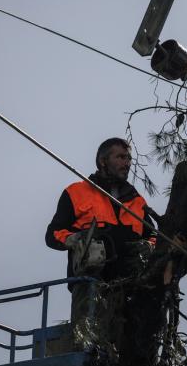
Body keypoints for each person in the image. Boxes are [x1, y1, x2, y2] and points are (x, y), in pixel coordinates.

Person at [45, 137, 156, 354]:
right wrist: (77, 239)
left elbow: (155, 237)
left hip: (130, 287)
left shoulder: (136, 201)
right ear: (103, 161)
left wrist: (148, 247)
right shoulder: (77, 192)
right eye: (121, 157)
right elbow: (53, 234)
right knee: (87, 348)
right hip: (90, 284)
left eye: (129, 158)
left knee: (129, 349)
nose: (127, 163)